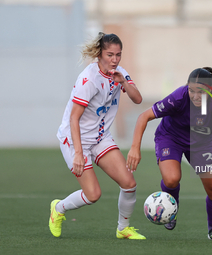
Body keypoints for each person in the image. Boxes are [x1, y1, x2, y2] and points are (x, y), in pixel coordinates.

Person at [49, 32, 146, 240]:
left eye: (118, 55)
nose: (114, 60)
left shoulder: (120, 72)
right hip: (75, 139)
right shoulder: (89, 79)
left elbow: (138, 99)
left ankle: (123, 229)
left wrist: (124, 83)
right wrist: (78, 153)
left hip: (100, 137)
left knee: (129, 183)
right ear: (99, 54)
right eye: (110, 55)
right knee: (93, 195)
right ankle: (58, 208)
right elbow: (74, 118)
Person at [127, 67, 212, 241]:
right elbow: (143, 117)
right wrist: (134, 148)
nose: (195, 96)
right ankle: (172, 208)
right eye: (192, 90)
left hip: (201, 143)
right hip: (170, 138)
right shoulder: (178, 97)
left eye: (201, 92)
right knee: (171, 179)